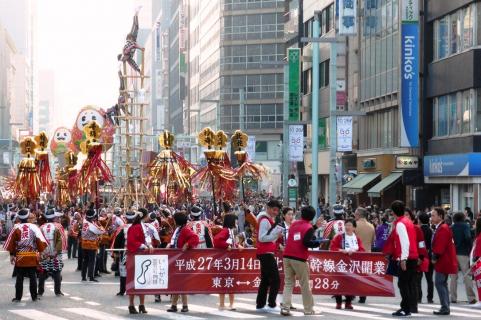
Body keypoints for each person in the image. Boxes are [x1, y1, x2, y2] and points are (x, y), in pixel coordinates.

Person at [281, 206, 322, 316]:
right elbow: (306, 242)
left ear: (301, 214)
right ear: (312, 217)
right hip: (299, 258)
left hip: (287, 256)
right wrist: (318, 242)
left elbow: (302, 231)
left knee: (288, 283)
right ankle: (308, 309)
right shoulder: (309, 227)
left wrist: (314, 227)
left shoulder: (294, 224)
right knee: (305, 284)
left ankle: (285, 307)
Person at [383, 201, 419, 317]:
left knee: (403, 284)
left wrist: (403, 259)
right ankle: (406, 307)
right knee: (406, 284)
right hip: (412, 256)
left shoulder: (400, 224)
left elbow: (405, 242)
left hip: (406, 257)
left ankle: (406, 309)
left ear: (393, 212)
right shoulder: (407, 221)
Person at [4, 209, 48, 302]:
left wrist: (12, 255)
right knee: (32, 276)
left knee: (19, 277)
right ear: (28, 217)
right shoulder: (34, 227)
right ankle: (34, 297)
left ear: (19, 218)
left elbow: (11, 243)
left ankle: (18, 297)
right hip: (31, 255)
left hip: (20, 256)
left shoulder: (16, 227)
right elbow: (40, 241)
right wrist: (40, 252)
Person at [167, 211, 200, 313]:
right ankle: (174, 305)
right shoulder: (178, 229)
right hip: (176, 258)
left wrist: (187, 244)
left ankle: (184, 305)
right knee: (178, 283)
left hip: (183, 259)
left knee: (181, 283)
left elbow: (195, 238)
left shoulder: (185, 229)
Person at [330, 218, 365, 310]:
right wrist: (341, 250)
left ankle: (348, 303)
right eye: (346, 225)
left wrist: (354, 251)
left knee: (350, 283)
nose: (347, 227)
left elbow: (362, 250)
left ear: (354, 228)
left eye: (350, 225)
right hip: (340, 264)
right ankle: (338, 303)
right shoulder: (339, 237)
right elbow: (332, 248)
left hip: (352, 265)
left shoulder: (357, 239)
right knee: (338, 283)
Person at [255, 199, 284, 311]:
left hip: (265, 252)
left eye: (277, 210)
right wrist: (276, 234)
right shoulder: (264, 221)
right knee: (275, 279)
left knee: (266, 280)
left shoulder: (267, 219)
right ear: (268, 208)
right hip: (265, 253)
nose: (276, 212)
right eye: (274, 210)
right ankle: (271, 304)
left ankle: (260, 304)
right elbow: (262, 238)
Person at [431, 207, 458, 315]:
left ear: (440, 216)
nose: (431, 217)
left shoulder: (443, 228)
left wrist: (434, 257)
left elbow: (439, 247)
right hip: (444, 260)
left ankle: (445, 307)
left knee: (439, 283)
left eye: (433, 215)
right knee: (442, 283)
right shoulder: (442, 227)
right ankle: (445, 306)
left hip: (443, 260)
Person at [214, 213, 243, 311]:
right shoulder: (226, 230)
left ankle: (229, 304)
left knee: (229, 282)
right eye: (235, 220)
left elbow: (233, 242)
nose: (237, 222)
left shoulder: (231, 231)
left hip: (230, 261)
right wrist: (227, 246)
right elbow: (217, 240)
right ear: (231, 221)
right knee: (226, 282)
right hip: (225, 261)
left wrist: (237, 245)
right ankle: (223, 304)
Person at [126, 210, 152, 314]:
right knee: (134, 280)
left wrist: (149, 245)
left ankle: (142, 304)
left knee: (143, 280)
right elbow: (132, 241)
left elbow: (148, 239)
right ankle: (131, 304)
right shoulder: (135, 227)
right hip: (135, 256)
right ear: (145, 216)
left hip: (143, 255)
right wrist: (143, 246)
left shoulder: (143, 226)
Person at [450, 212, 477, 304]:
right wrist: (470, 249)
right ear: (463, 218)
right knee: (467, 275)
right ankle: (471, 298)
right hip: (464, 253)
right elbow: (468, 237)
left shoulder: (452, 227)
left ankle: (453, 298)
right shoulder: (465, 226)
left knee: (453, 276)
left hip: (453, 253)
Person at [38, 209, 66, 297]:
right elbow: (60, 240)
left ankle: (40, 291)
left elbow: (38, 240)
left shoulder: (41, 227)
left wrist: (41, 252)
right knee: (57, 271)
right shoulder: (57, 226)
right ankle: (57, 291)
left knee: (42, 271)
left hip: (44, 252)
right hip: (55, 253)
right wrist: (56, 251)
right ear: (53, 217)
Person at [112, 210, 136, 296]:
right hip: (136, 253)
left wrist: (116, 254)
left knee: (123, 272)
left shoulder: (122, 228)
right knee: (135, 271)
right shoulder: (139, 227)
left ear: (125, 218)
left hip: (124, 253)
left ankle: (122, 290)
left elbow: (117, 242)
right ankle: (134, 289)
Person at [354, 207, 375, 303]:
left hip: (355, 253)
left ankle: (352, 293)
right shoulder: (371, 226)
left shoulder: (354, 225)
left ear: (358, 215)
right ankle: (363, 296)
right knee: (364, 275)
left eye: (355, 214)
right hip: (367, 253)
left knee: (353, 274)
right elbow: (372, 241)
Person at [80, 208, 105, 282]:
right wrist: (102, 228)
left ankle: (83, 277)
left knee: (85, 261)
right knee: (92, 261)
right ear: (92, 217)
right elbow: (100, 231)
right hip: (91, 245)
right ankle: (91, 277)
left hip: (84, 244)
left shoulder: (84, 222)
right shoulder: (91, 225)